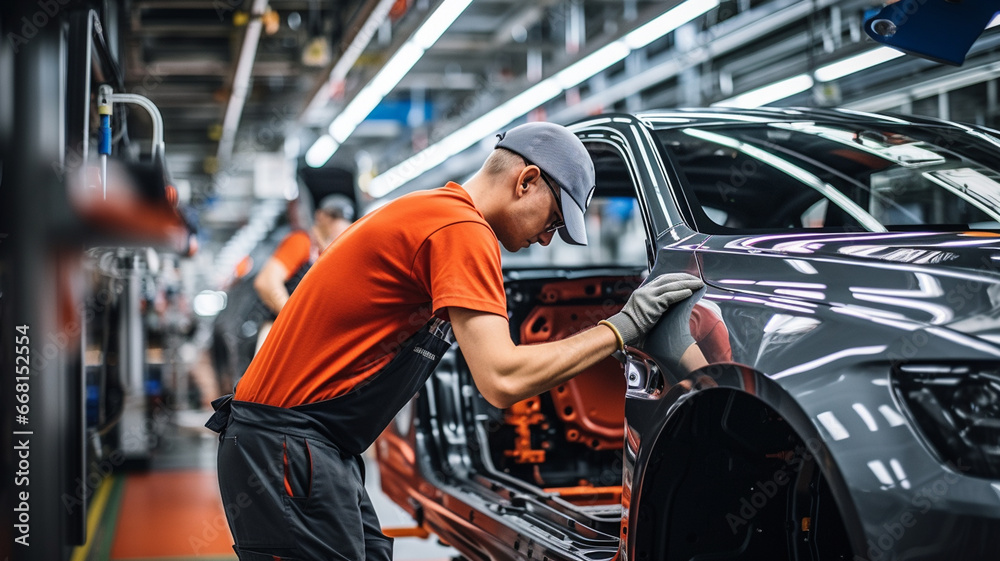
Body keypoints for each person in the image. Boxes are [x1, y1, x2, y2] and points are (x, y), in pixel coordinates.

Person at [206, 122, 703, 561]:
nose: (548, 240)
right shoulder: (461, 229)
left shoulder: (436, 213)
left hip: (307, 446)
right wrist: (621, 327)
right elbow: (501, 379)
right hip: (285, 449)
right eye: (552, 221)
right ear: (526, 181)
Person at [252, 194, 354, 352]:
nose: (339, 224)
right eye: (333, 217)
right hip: (279, 336)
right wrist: (293, 319)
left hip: (306, 342)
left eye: (344, 220)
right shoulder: (302, 242)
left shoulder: (330, 257)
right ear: (320, 216)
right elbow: (266, 282)